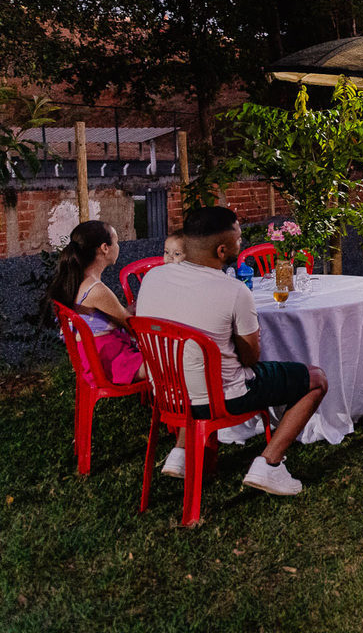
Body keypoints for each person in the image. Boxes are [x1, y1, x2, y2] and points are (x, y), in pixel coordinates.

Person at [137, 207, 328, 494]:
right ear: (222, 250)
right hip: (219, 398)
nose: (242, 243)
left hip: (168, 394)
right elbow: (251, 358)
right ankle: (269, 464)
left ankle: (182, 452)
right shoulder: (235, 291)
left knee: (194, 366)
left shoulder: (153, 277)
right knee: (316, 379)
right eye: (238, 239)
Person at [46, 220, 145, 386]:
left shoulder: (76, 282)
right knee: (173, 361)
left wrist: (124, 312)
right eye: (116, 242)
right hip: (113, 366)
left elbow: (104, 320)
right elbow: (132, 327)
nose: (118, 247)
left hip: (94, 363)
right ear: (105, 248)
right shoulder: (96, 290)